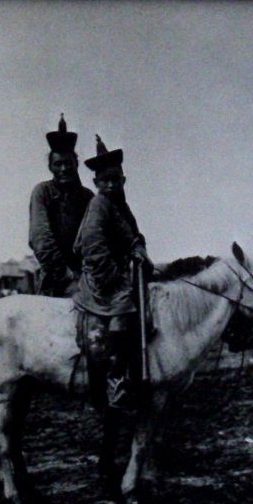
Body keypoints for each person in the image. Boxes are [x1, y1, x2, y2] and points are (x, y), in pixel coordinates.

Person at [72, 135, 153, 411]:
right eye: (104, 181)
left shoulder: (120, 205)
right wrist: (115, 278)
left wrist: (139, 249)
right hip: (101, 278)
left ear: (123, 180)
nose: (110, 185)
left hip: (120, 273)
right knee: (122, 312)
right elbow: (93, 247)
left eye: (115, 180)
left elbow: (132, 235)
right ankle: (114, 382)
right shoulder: (99, 205)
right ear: (96, 183)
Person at [28, 115, 94, 297]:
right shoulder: (43, 192)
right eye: (58, 164)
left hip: (88, 275)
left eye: (68, 163)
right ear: (50, 166)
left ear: (76, 164)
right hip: (56, 280)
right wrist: (66, 275)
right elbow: (40, 239)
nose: (64, 169)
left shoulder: (88, 197)